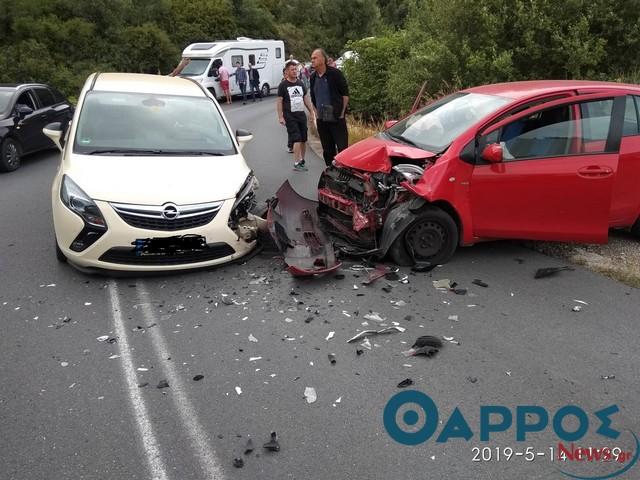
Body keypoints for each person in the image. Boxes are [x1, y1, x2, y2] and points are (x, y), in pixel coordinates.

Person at [310, 48, 349, 166]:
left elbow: (345, 94)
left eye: (315, 58)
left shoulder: (335, 74)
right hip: (322, 118)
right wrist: (316, 113)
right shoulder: (313, 77)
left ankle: (343, 170)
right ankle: (330, 170)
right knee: (327, 149)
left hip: (336, 116)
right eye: (311, 58)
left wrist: (342, 113)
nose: (312, 60)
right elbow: (313, 96)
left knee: (342, 147)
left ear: (323, 59)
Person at [277, 60, 315, 171]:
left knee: (303, 139)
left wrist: (311, 111)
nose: (294, 71)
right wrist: (280, 117)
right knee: (296, 138)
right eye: (292, 70)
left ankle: (302, 160)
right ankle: (296, 163)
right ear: (287, 71)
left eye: (296, 69)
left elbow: (305, 98)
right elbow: (279, 101)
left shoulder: (300, 83)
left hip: (301, 115)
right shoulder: (283, 85)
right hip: (290, 116)